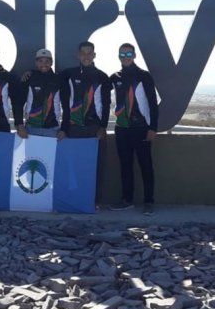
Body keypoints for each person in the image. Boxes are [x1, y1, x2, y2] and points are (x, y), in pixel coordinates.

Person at [108, 43, 158, 215]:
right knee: (125, 165)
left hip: (141, 128)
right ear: (118, 56)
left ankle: (149, 202)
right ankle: (127, 200)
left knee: (146, 165)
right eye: (122, 54)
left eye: (129, 53)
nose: (126, 56)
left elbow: (153, 103)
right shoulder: (115, 77)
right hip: (122, 128)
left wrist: (153, 128)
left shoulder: (144, 76)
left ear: (135, 55)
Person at [59, 41, 111, 204]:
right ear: (78, 55)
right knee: (72, 166)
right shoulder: (68, 74)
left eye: (90, 53)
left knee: (95, 167)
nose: (86, 56)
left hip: (94, 129)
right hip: (73, 129)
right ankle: (74, 199)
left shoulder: (102, 76)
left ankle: (95, 201)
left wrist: (103, 127)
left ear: (94, 55)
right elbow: (46, 78)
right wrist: (64, 128)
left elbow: (106, 104)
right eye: (83, 53)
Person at [14, 49, 66, 139]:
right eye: (40, 61)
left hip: (52, 129)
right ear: (36, 62)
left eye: (47, 61)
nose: (44, 64)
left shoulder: (58, 80)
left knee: (49, 153)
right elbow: (19, 103)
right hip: (31, 128)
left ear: (52, 62)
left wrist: (64, 129)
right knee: (31, 154)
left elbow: (66, 106)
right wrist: (20, 125)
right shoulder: (29, 78)